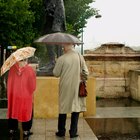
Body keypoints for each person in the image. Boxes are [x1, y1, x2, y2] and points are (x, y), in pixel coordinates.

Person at [53, 44, 89, 138]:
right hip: (77, 86)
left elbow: (56, 73)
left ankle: (61, 131)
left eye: (63, 46)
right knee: (75, 108)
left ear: (66, 46)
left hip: (65, 87)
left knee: (63, 109)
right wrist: (82, 78)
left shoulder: (61, 58)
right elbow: (86, 73)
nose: (62, 47)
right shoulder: (79, 56)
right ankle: (73, 132)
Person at [7, 59, 36, 139]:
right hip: (25, 96)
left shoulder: (12, 68)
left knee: (13, 110)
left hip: (14, 95)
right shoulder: (29, 69)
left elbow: (9, 81)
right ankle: (26, 130)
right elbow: (33, 86)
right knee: (27, 111)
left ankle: (12, 129)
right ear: (25, 59)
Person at [42, 0, 66, 75]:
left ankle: (60, 63)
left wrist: (57, 25)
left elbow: (60, 10)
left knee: (58, 41)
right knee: (47, 40)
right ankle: (52, 62)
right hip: (49, 22)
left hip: (56, 22)